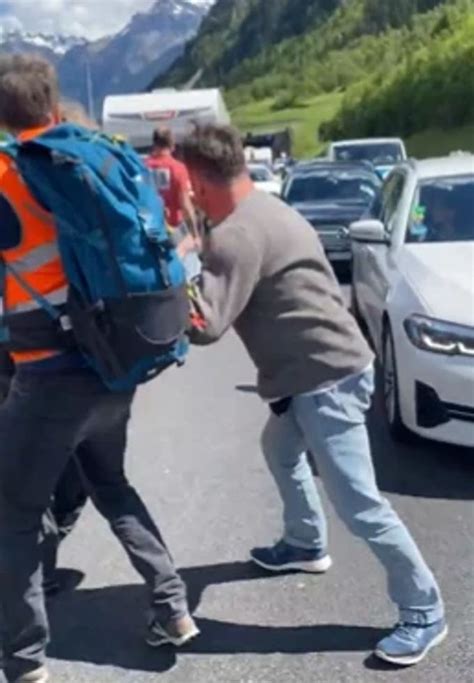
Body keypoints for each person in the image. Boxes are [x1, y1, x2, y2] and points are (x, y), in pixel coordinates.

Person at [180, 124, 447, 668]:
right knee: (279, 449)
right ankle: (304, 544)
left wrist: (177, 270)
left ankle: (425, 609)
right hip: (323, 370)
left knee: (361, 504)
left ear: (201, 182)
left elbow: (204, 325)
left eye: (187, 184)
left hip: (326, 379)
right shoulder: (270, 209)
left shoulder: (237, 235)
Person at [0, 55, 197, 683]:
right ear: (53, 105)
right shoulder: (96, 156)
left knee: (13, 512)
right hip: (114, 362)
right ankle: (173, 609)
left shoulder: (9, 174)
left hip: (47, 373)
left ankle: (24, 660)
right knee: (112, 486)